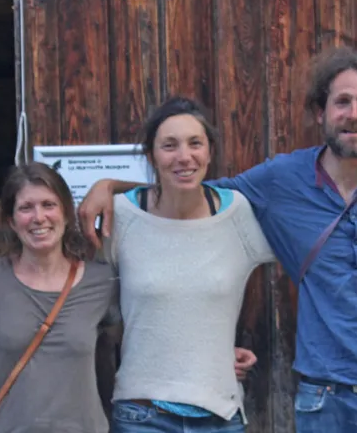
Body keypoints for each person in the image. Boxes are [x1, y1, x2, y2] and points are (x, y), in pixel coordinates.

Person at [78, 48, 357, 432]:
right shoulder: (280, 179)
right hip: (327, 397)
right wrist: (111, 186)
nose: (353, 113)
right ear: (320, 113)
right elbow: (193, 188)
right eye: (341, 102)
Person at [100, 97, 271, 432]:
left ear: (209, 152)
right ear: (151, 155)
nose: (184, 156)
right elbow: (91, 301)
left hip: (220, 414)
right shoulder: (121, 216)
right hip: (142, 414)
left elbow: (308, 263)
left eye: (196, 144)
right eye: (169, 145)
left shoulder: (237, 214)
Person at [0, 162, 121, 432]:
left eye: (48, 205)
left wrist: (110, 185)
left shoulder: (101, 282)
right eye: (26, 208)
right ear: (11, 220)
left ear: (66, 214)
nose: (38, 217)